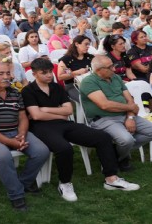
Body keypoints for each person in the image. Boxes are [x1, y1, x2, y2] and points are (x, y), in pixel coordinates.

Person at [23, 58, 139, 201]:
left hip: (63, 123)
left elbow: (68, 110)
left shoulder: (57, 87)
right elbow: (36, 115)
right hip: (41, 127)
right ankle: (65, 183)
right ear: (34, 74)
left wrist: (45, 109)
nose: (48, 75)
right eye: (44, 73)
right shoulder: (28, 90)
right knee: (64, 149)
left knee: (103, 137)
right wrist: (56, 112)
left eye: (50, 72)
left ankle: (111, 179)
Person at [0, 58, 50, 211]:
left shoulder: (15, 92)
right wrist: (9, 142)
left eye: (8, 73)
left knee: (42, 151)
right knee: (3, 156)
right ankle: (17, 195)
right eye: (0, 74)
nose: (6, 77)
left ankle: (23, 182)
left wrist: (21, 134)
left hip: (14, 131)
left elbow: (22, 117)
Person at [79, 55, 152, 169]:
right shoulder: (88, 82)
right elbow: (105, 105)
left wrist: (130, 118)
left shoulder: (116, 78)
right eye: (109, 67)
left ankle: (116, 151)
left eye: (113, 65)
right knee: (126, 140)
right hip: (103, 119)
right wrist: (130, 108)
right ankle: (122, 157)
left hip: (124, 114)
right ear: (98, 70)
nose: (114, 69)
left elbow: (130, 100)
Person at [57, 35, 94, 102]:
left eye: (88, 44)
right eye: (86, 44)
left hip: (90, 83)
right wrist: (76, 72)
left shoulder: (90, 57)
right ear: (77, 44)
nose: (88, 46)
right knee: (86, 99)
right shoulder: (67, 59)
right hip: (73, 85)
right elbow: (60, 76)